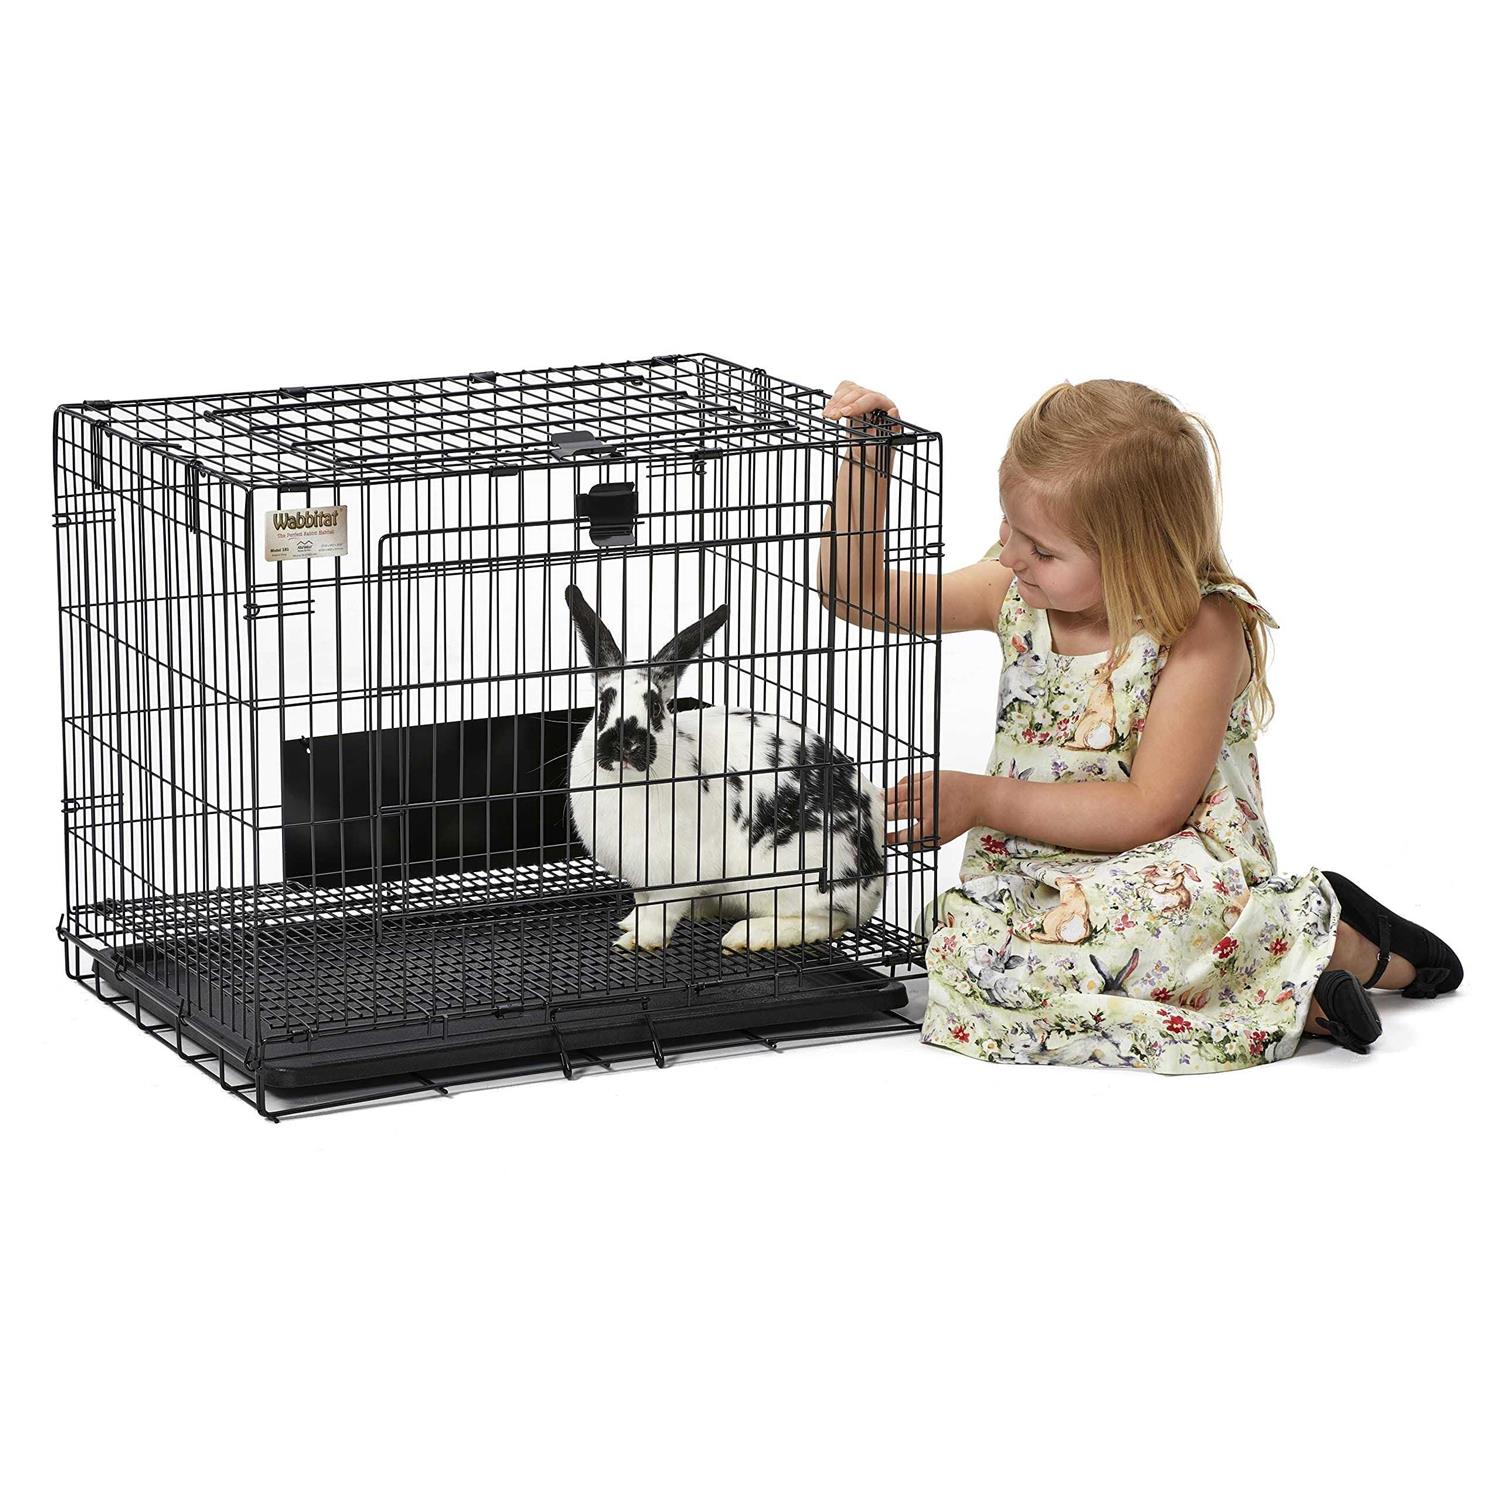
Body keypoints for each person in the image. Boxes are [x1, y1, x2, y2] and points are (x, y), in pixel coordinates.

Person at [818, 378, 1463, 1073]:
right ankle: (1290, 995)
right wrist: (866, 464)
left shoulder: (1201, 628)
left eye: (1043, 549)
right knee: (964, 950)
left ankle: (1339, 943)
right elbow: (862, 596)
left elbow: (1149, 809)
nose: (1009, 555)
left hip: (1170, 869)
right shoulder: (1015, 590)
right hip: (1039, 871)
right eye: (1008, 526)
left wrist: (983, 799)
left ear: (1135, 554)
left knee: (1149, 929)